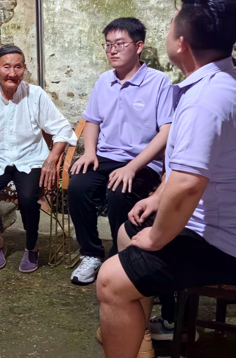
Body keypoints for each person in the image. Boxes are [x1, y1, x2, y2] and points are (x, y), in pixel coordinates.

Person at [57, 0, 236, 358]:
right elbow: (184, 171)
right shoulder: (221, 80)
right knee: (128, 230)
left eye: (171, 24)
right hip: (229, 224)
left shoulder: (206, 100)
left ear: (181, 43)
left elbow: (188, 186)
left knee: (110, 277)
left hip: (230, 245)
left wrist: (158, 237)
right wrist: (158, 197)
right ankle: (134, 331)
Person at [68, 18, 173, 286]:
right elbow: (92, 120)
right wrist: (89, 152)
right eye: (108, 45)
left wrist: (132, 167)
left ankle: (121, 256)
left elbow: (166, 132)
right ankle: (91, 254)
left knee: (119, 194)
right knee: (78, 186)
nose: (112, 50)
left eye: (120, 44)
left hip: (143, 161)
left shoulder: (159, 82)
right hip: (105, 156)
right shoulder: (104, 81)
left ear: (138, 46)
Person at [0, 45, 77, 272]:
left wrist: (51, 159)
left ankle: (32, 246)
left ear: (24, 68)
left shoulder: (36, 95)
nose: (12, 73)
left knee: (28, 198)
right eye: (6, 67)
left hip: (29, 159)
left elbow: (63, 129)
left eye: (18, 67)